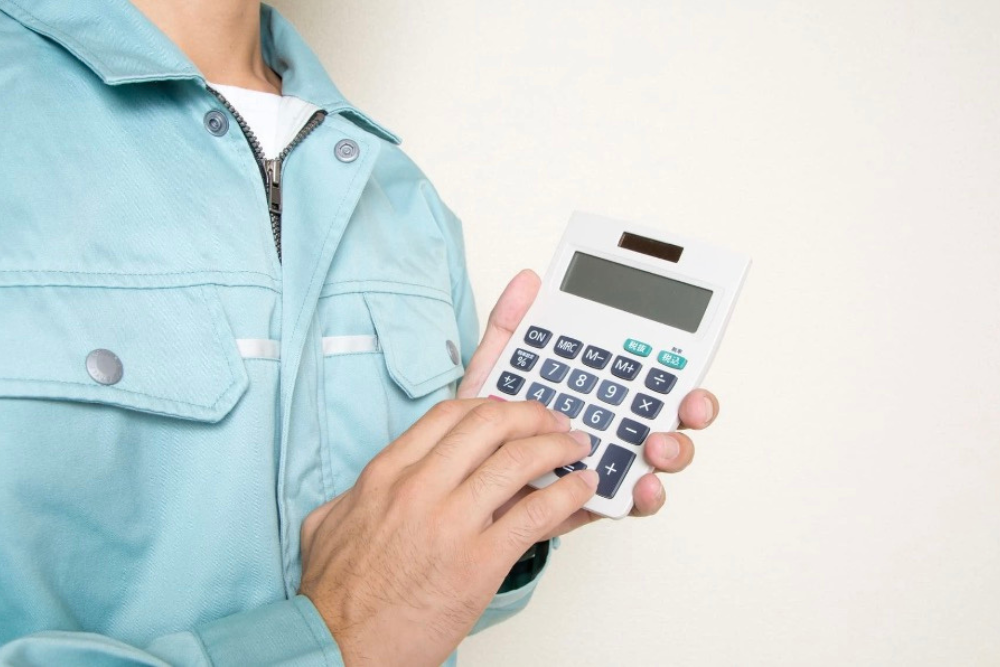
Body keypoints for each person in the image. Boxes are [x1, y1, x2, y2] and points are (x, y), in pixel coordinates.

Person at [0, 1, 719, 665]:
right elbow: (363, 623)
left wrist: (498, 523)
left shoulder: (400, 191)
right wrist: (333, 635)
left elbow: (409, 605)